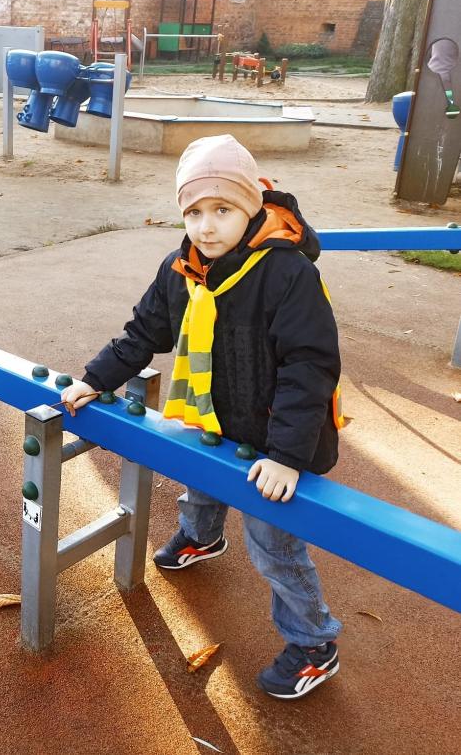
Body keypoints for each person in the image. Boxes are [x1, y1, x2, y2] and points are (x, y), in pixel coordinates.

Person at [60, 134, 344, 699]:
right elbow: (144, 331)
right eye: (193, 212)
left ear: (252, 207)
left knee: (273, 544)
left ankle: (315, 643)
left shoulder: (287, 274)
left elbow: (309, 367)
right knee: (200, 482)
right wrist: (94, 378)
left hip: (275, 438)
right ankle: (201, 536)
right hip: (213, 417)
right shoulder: (181, 269)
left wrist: (286, 456)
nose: (206, 227)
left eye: (222, 210)